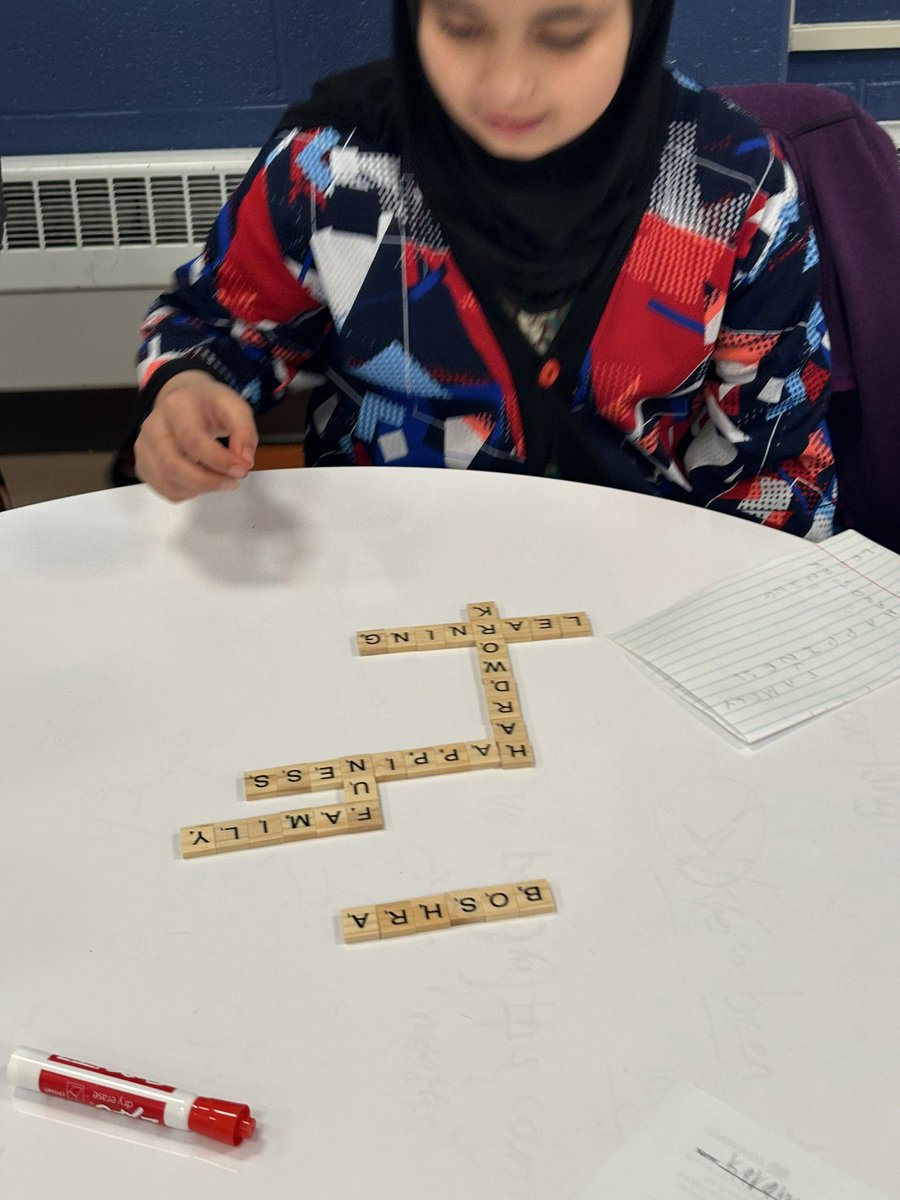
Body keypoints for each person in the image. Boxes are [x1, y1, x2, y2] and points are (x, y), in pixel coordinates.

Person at [134, 0, 836, 540]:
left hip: (637, 569)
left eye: (564, 35)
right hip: (378, 560)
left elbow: (777, 459)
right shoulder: (331, 166)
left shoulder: (737, 190)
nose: (507, 88)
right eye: (462, 28)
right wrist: (188, 386)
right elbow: (222, 324)